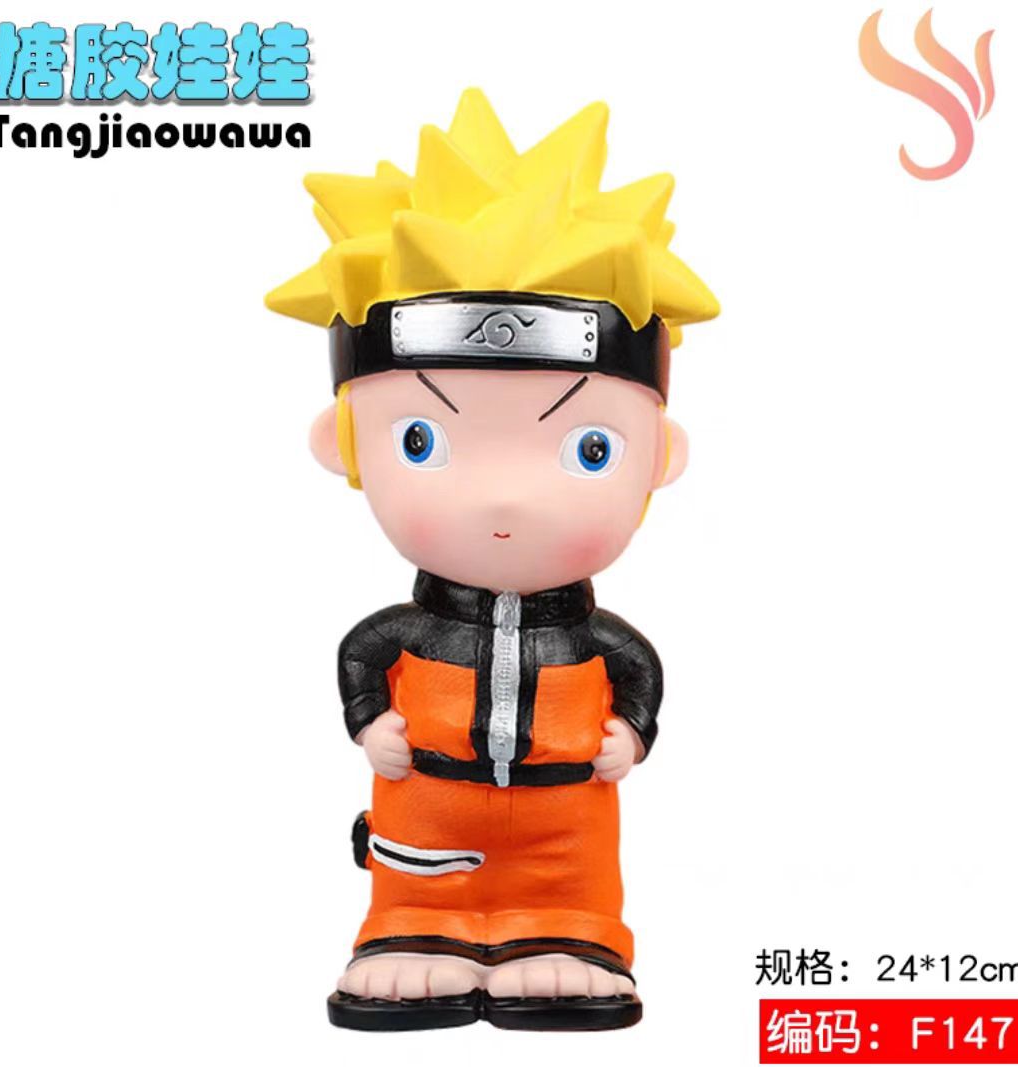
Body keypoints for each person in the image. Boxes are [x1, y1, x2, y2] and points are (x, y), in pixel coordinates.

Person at [266, 89, 718, 1030]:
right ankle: (412, 928)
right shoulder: (403, 631)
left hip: (567, 820)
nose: (504, 496)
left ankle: (572, 932)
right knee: (416, 882)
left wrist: (632, 731)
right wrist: (367, 723)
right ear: (341, 445)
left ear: (659, 459)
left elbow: (637, 672)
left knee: (574, 883)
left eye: (587, 448)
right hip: (425, 816)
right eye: (422, 439)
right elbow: (361, 658)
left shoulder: (597, 638)